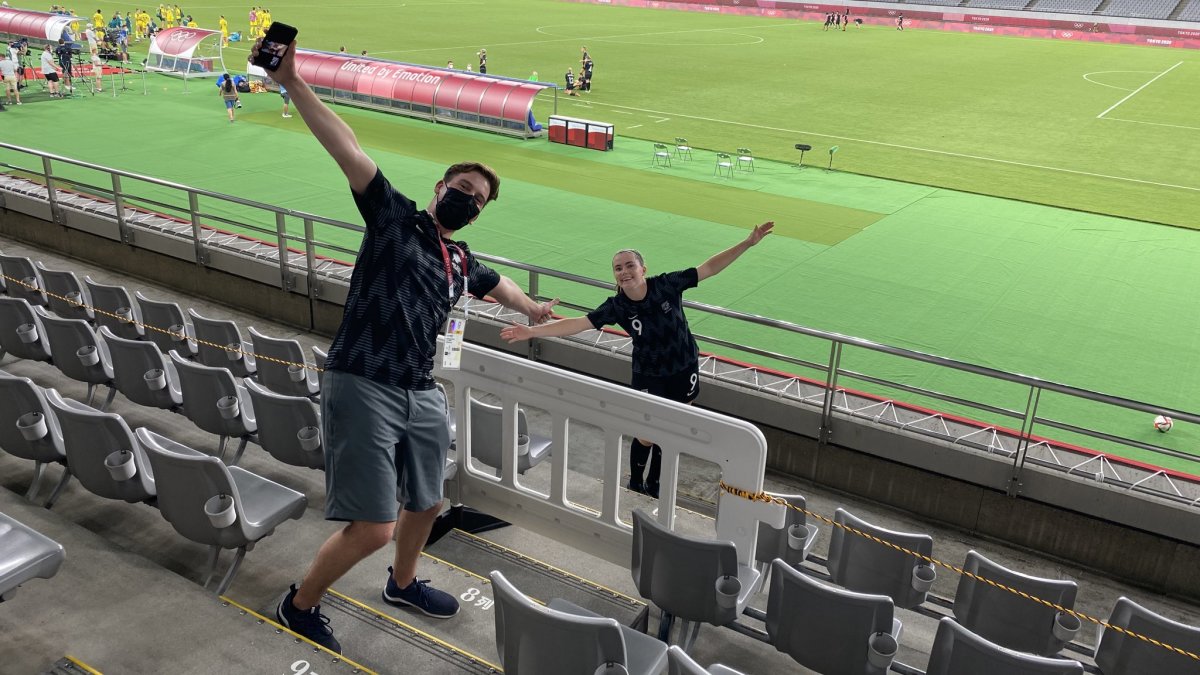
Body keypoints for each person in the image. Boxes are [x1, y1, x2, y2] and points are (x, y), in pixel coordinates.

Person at [250, 33, 559, 655]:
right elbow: (348, 147)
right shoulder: (395, 218)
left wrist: (533, 310)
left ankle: (403, 582)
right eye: (462, 187)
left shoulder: (459, 256)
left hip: (421, 388)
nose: (467, 200)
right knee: (373, 526)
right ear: (439, 183)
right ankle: (299, 603)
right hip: (364, 378)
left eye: (478, 199)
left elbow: (496, 284)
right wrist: (292, 81)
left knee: (429, 498)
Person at [501, 222, 774, 498]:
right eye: (618, 268)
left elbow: (709, 268)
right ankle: (635, 482)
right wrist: (531, 331)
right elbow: (576, 324)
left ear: (643, 269)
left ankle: (655, 485)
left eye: (630, 265)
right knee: (646, 434)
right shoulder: (617, 306)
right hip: (648, 373)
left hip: (684, 367)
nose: (624, 271)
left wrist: (747, 243)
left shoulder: (667, 285)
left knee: (672, 428)